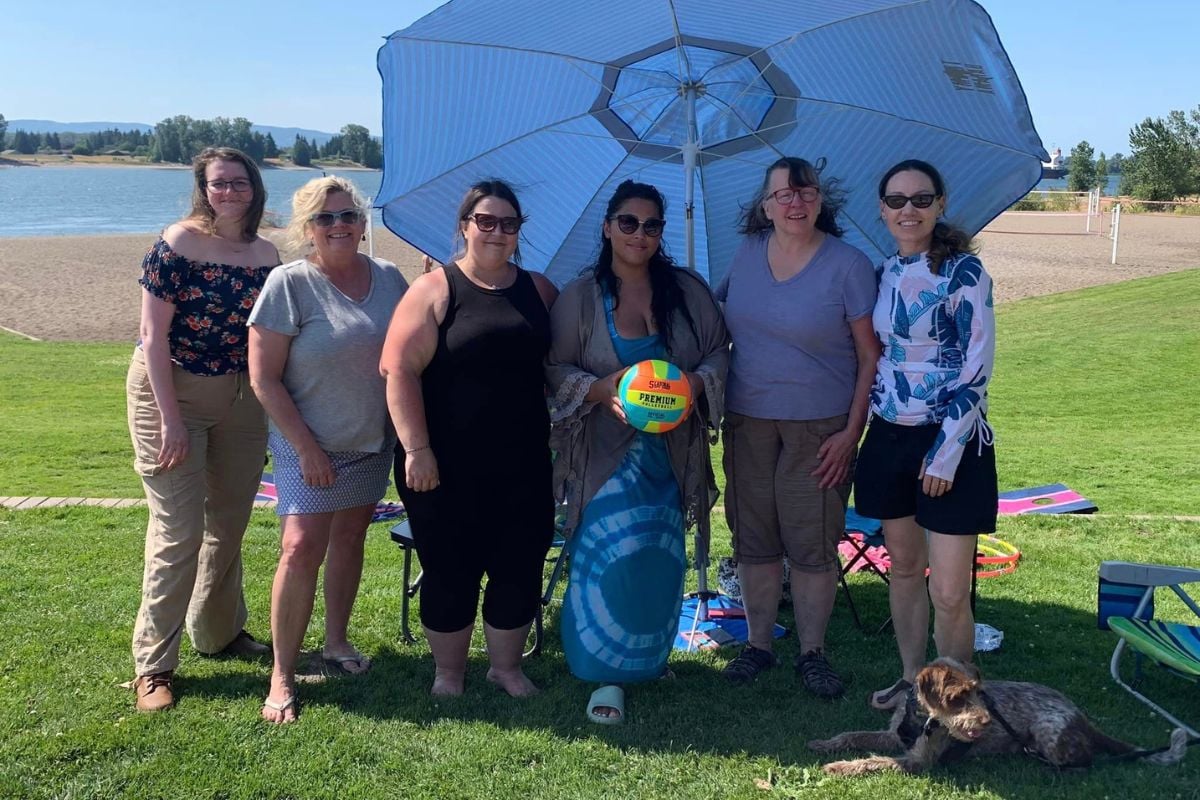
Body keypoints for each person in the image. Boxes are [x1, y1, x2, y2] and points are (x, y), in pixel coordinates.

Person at [546, 180, 729, 723]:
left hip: (671, 457)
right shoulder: (579, 296)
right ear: (607, 227)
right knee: (608, 558)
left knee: (657, 558)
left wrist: (695, 385)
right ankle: (603, 673)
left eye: (651, 225)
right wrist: (603, 391)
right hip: (603, 457)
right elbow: (553, 370)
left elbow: (721, 353)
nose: (639, 234)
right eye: (628, 222)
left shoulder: (688, 292)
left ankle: (649, 658)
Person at [380, 180, 558, 698]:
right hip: (440, 462)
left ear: (519, 231)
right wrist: (416, 449)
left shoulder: (541, 290)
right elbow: (398, 371)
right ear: (465, 226)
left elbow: (564, 365)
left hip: (523, 461)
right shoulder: (435, 289)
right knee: (450, 569)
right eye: (486, 221)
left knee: (520, 563)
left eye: (509, 223)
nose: (497, 232)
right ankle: (448, 674)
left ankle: (506, 670)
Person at [715, 157, 879, 697]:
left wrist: (850, 433)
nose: (795, 202)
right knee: (754, 541)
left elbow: (869, 359)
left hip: (820, 429)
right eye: (782, 194)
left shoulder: (848, 265)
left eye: (805, 192)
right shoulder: (742, 256)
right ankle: (758, 646)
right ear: (764, 206)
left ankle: (813, 653)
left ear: (820, 201)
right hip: (748, 423)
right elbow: (711, 323)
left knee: (811, 546)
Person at [248, 176, 408, 723]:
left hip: (370, 440)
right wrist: (307, 449)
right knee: (299, 547)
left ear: (363, 225)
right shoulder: (288, 284)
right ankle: (282, 673)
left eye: (348, 216)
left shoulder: (389, 277)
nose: (338, 225)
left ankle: (337, 641)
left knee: (350, 537)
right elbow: (264, 378)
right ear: (307, 229)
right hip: (305, 444)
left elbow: (411, 350)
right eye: (325, 218)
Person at [126, 147, 279, 713]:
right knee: (177, 531)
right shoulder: (179, 242)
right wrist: (170, 420)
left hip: (241, 400)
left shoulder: (265, 253)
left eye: (240, 183)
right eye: (219, 184)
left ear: (255, 189)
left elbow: (272, 334)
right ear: (203, 188)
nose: (230, 192)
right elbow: (152, 335)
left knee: (231, 523)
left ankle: (219, 633)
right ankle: (154, 667)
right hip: (171, 394)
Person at [853, 159, 998, 711]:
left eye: (920, 199)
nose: (907, 210)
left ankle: (956, 697)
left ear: (940, 204)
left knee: (949, 589)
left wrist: (945, 453)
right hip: (890, 438)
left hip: (952, 444)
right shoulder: (883, 272)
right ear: (882, 209)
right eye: (896, 200)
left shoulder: (966, 273)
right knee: (906, 570)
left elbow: (977, 370)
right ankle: (914, 682)